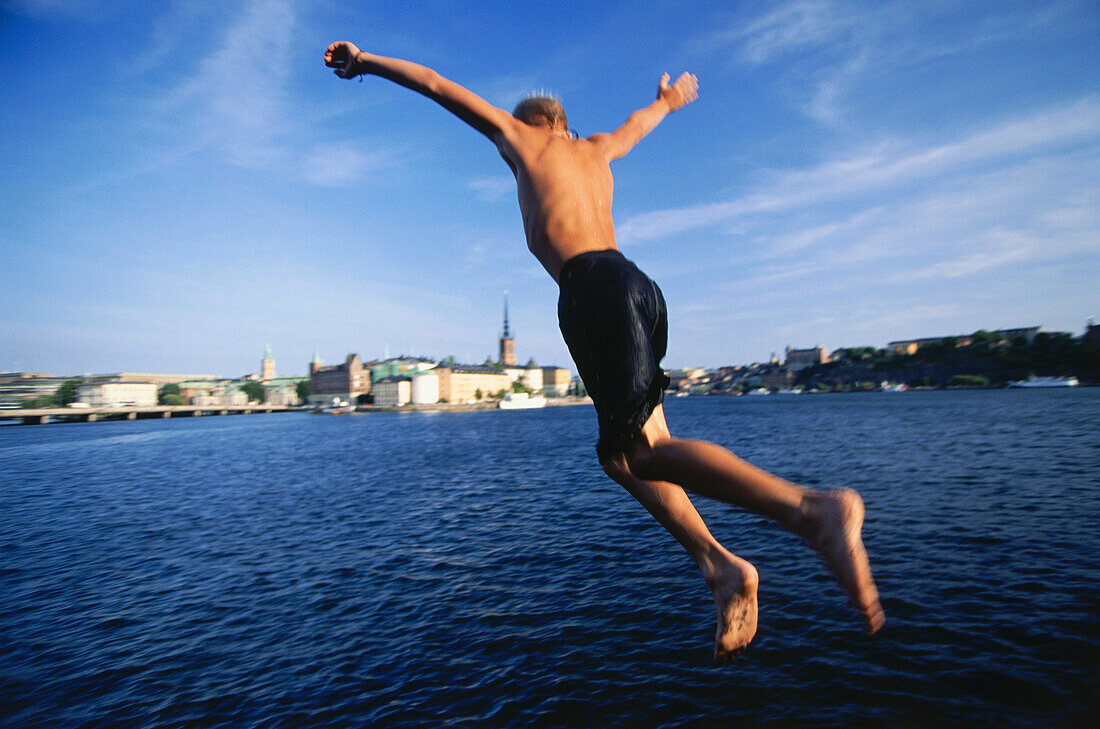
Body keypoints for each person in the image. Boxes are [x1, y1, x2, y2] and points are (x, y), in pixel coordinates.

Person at [324, 41, 885, 663]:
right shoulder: (597, 149)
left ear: (539, 123)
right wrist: (668, 101)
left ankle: (812, 511)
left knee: (648, 454)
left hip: (592, 290)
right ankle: (721, 569)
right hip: (637, 287)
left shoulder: (523, 136)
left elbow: (433, 81)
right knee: (622, 457)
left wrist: (366, 61)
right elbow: (640, 125)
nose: (511, 156)